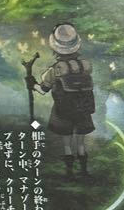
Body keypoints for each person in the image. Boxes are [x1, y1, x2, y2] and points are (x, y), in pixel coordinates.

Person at [36, 23, 96, 176]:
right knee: (81, 143)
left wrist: (32, 84)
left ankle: (69, 172)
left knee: (67, 143)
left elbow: (43, 90)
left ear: (55, 48)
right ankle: (84, 171)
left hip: (63, 111)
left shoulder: (55, 69)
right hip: (83, 110)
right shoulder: (86, 65)